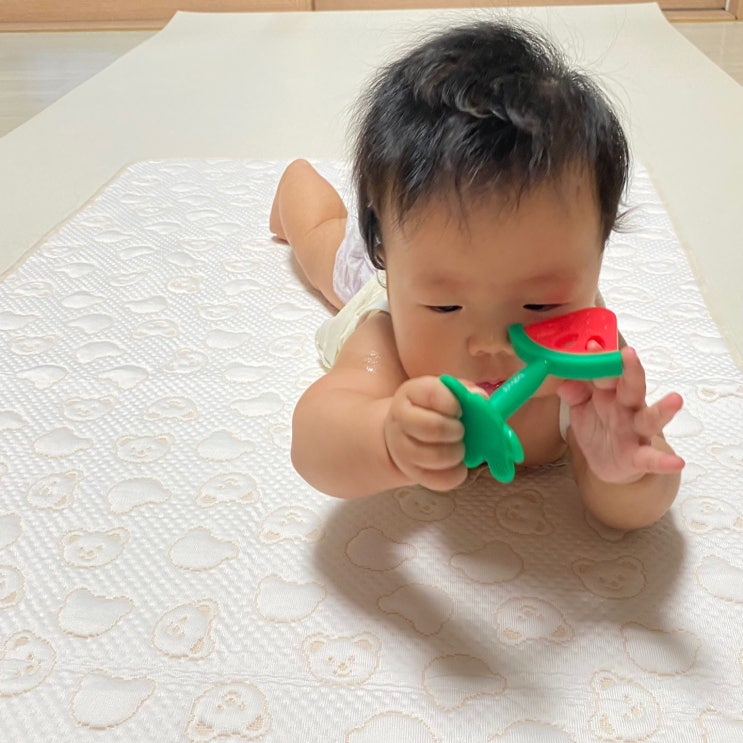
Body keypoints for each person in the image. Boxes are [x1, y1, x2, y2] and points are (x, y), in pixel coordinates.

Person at [269, 20, 685, 529]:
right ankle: (295, 185)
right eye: (444, 306)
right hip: (378, 283)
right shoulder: (386, 334)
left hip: (426, 275)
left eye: (540, 304)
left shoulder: (587, 364)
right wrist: (385, 438)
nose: (490, 343)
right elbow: (313, 441)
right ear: (388, 257)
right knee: (323, 246)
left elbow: (644, 498)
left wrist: (624, 471)